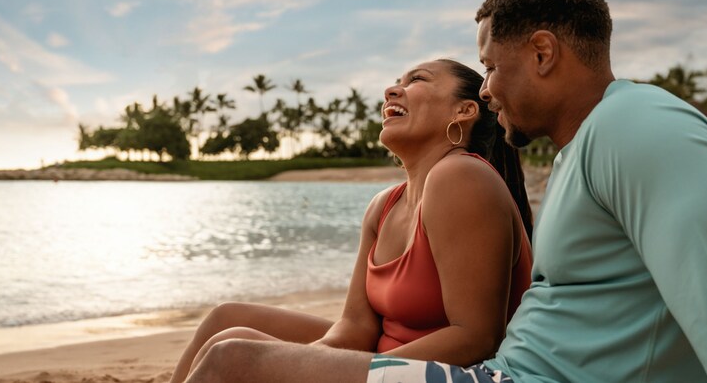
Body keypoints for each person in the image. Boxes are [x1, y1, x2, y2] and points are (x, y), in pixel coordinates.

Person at [184, 0, 707, 383]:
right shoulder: (580, 152)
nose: (487, 88)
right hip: (503, 373)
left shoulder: (638, 126)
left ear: (542, 53)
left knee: (233, 362)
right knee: (228, 343)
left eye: (491, 67)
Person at [170, 58, 534, 383]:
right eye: (396, 81)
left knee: (230, 355)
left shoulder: (462, 177)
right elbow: (355, 327)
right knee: (225, 320)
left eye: (417, 80)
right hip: (384, 361)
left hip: (460, 373)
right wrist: (312, 362)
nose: (393, 90)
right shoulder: (384, 205)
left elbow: (476, 337)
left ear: (464, 110)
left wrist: (345, 371)